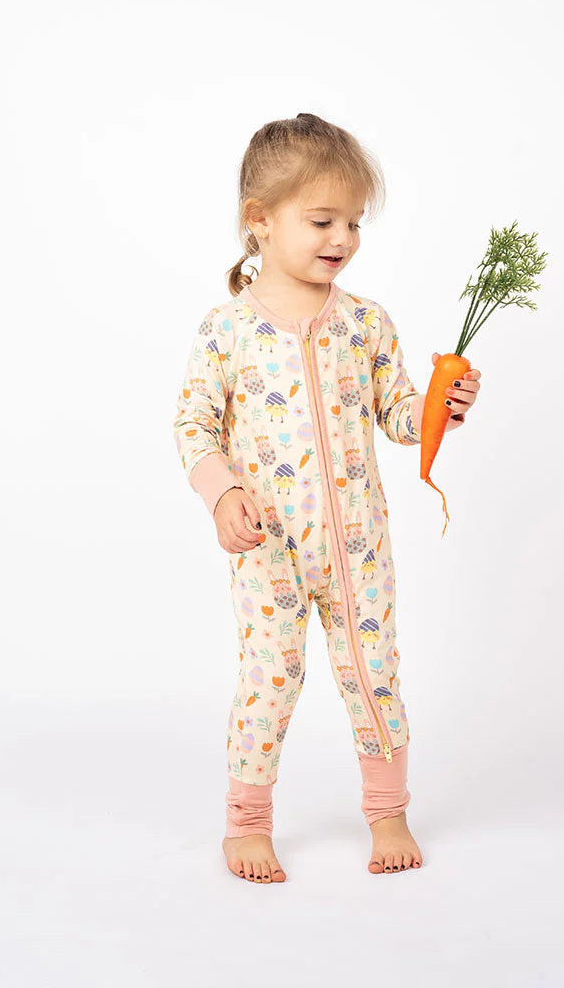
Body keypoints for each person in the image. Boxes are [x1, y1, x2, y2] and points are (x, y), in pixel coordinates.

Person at [171, 113, 481, 883]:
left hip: (359, 550)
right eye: (321, 220)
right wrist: (222, 494)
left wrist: (438, 406)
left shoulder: (365, 324)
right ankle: (247, 824)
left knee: (375, 677)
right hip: (269, 552)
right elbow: (193, 426)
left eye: (354, 222)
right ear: (261, 221)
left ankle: (389, 812)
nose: (342, 237)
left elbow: (396, 415)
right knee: (270, 681)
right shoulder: (227, 331)